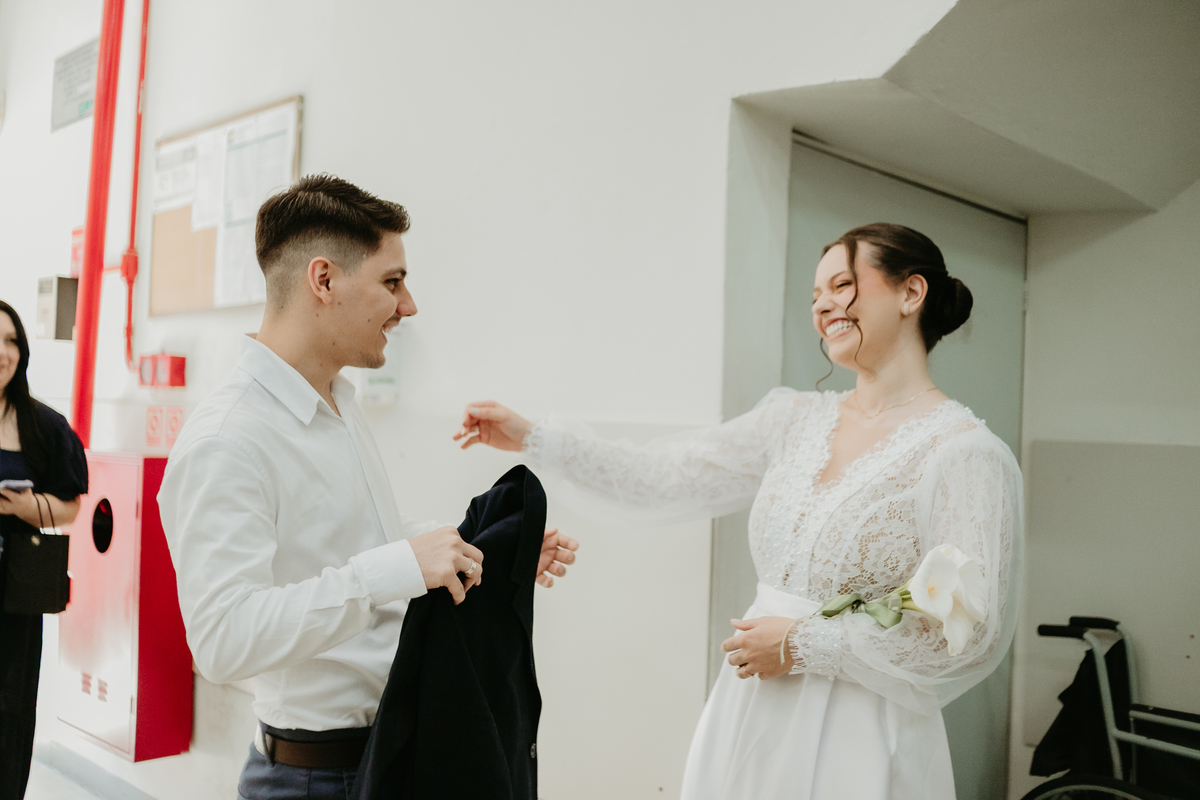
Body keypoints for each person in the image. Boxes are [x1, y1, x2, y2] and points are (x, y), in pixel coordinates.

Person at [454, 223, 1023, 800]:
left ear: (911, 292)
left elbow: (971, 634)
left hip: (865, 729)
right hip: (753, 706)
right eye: (815, 295)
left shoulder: (964, 454)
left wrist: (804, 645)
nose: (823, 305)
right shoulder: (794, 421)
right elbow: (665, 475)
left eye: (842, 285)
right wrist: (535, 437)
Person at [158, 175, 577, 800]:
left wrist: (473, 552)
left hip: (387, 756)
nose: (408, 306)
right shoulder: (228, 440)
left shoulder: (339, 404)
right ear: (324, 280)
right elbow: (223, 640)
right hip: (311, 779)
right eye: (392, 281)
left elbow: (354, 541)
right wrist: (397, 569)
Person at [0, 300, 88, 800]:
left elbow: (70, 508)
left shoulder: (43, 425)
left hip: (15, 597)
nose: (2, 352)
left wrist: (24, 506)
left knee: (9, 714)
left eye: (11, 340)